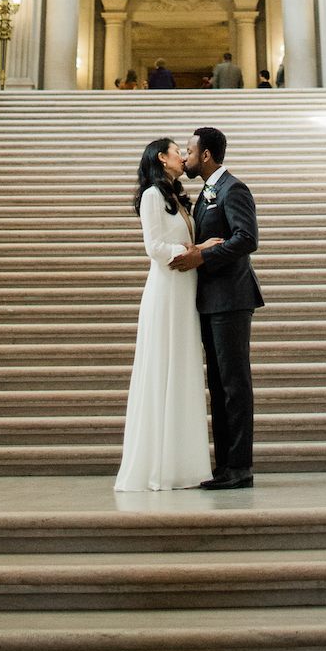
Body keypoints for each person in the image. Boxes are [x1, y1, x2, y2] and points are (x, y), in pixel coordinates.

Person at [114, 139, 215, 492]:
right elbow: (154, 247)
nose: (183, 156)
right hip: (167, 288)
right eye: (177, 151)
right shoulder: (153, 196)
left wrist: (199, 248)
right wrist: (193, 252)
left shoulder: (176, 197)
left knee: (183, 371)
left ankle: (182, 463)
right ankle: (159, 465)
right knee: (164, 370)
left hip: (185, 289)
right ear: (162, 157)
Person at [170, 126, 263, 489]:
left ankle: (240, 467)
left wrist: (202, 259)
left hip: (232, 299)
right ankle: (223, 465)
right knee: (219, 383)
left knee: (234, 385)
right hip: (211, 302)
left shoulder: (233, 188)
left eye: (190, 153)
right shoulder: (207, 192)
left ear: (205, 155)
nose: (186, 158)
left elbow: (247, 238)